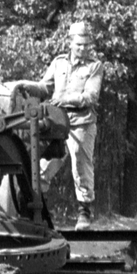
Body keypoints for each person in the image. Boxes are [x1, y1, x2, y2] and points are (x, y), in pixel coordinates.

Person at [33, 20, 103, 229]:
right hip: (57, 122)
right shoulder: (59, 63)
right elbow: (44, 87)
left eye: (86, 44)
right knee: (44, 164)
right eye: (79, 44)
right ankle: (37, 211)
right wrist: (24, 86)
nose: (83, 48)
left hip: (82, 123)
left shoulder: (94, 66)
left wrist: (65, 99)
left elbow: (91, 96)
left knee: (81, 163)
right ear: (70, 43)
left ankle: (84, 212)